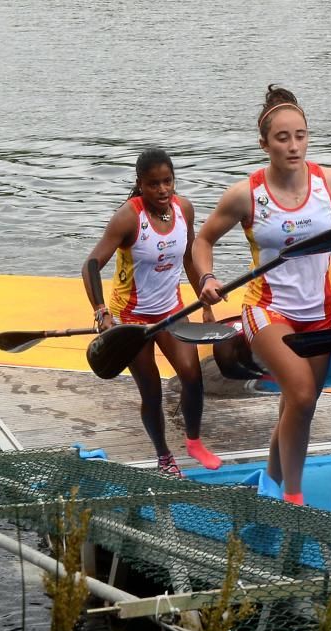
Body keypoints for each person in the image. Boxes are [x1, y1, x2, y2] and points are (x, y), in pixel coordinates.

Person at [193, 86, 331, 505]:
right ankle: (294, 498)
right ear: (264, 143)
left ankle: (270, 485)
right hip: (266, 310)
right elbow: (203, 240)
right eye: (282, 138)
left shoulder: (329, 183)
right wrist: (206, 278)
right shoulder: (246, 195)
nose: (293, 146)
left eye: (301, 136)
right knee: (304, 394)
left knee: (299, 406)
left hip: (319, 311)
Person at [83, 148, 222, 477]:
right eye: (153, 184)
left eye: (167, 182)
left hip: (171, 310)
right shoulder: (128, 218)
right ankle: (163, 456)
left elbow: (189, 258)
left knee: (192, 375)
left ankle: (194, 441)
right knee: (152, 389)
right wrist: (101, 311)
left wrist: (204, 295)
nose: (162, 190)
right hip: (133, 318)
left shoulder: (183, 209)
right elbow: (90, 266)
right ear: (140, 185)